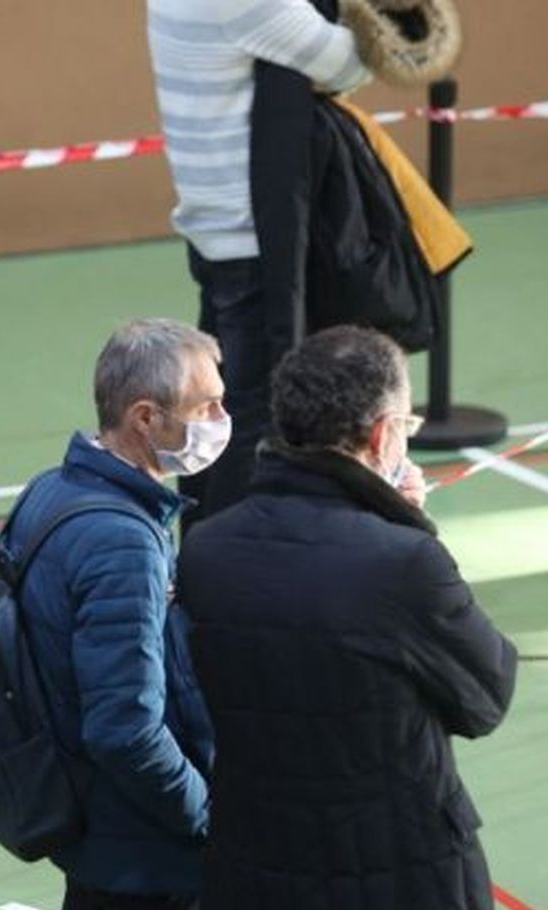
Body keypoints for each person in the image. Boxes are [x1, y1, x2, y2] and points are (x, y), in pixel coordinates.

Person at [179, 326, 517, 910]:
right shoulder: (403, 562)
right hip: (401, 878)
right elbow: (486, 697)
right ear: (383, 435)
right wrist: (405, 525)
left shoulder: (206, 550)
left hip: (254, 871)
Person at [0, 319, 223, 910]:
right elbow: (125, 728)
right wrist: (207, 814)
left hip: (93, 834)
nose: (221, 419)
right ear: (145, 417)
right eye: (207, 406)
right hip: (143, 855)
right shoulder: (123, 541)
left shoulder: (50, 490)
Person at [147, 0, 371, 526]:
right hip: (253, 240)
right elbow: (346, 63)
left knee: (205, 413)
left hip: (216, 231)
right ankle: (222, 564)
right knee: (252, 415)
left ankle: (200, 555)